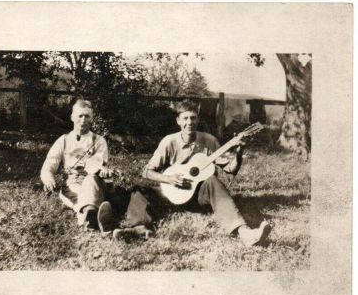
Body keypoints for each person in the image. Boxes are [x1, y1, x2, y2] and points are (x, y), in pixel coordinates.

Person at [128, 100, 271, 246]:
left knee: (213, 181)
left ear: (198, 119)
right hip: (170, 196)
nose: (189, 122)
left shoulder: (209, 141)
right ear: (178, 121)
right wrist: (168, 179)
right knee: (139, 192)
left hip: (197, 198)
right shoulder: (169, 142)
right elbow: (147, 172)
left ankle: (245, 233)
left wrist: (239, 152)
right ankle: (139, 228)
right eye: (185, 118)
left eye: (193, 118)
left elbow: (230, 169)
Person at [40, 99, 115, 232]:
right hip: (72, 182)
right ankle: (94, 216)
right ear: (72, 117)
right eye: (80, 116)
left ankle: (88, 218)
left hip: (94, 180)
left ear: (92, 119)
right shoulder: (64, 140)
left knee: (90, 183)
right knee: (77, 196)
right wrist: (49, 178)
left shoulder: (99, 141)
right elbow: (49, 165)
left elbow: (96, 164)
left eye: (87, 116)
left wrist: (99, 170)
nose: (83, 120)